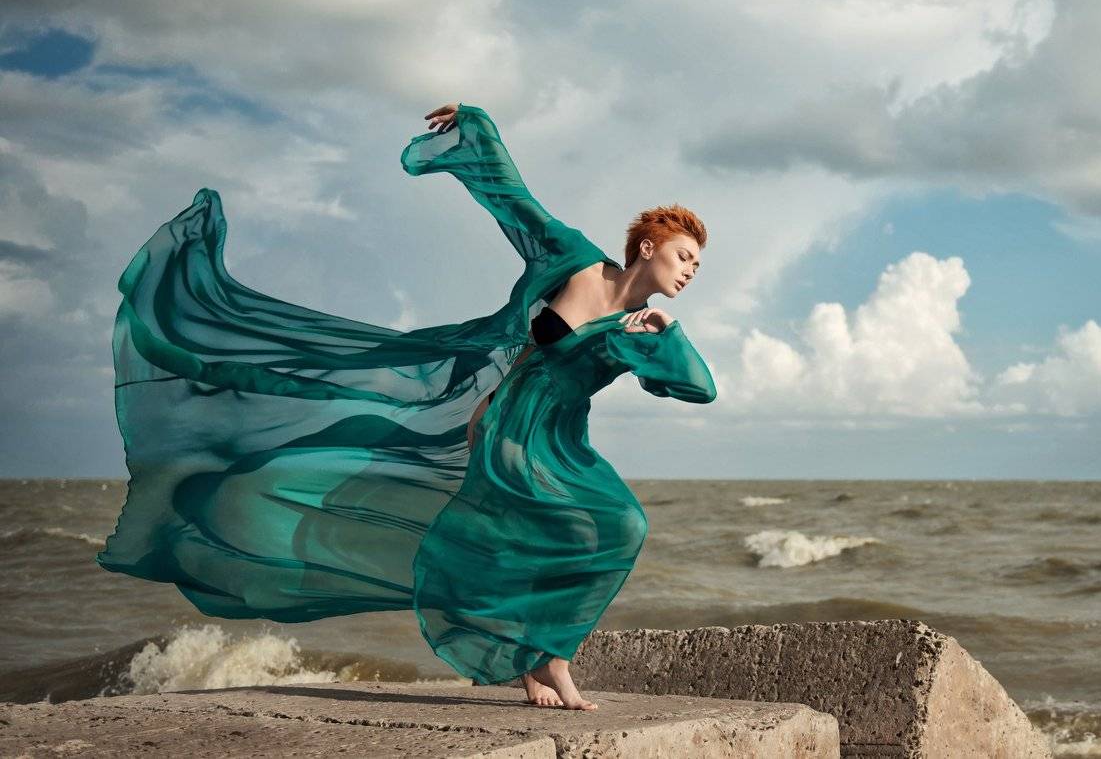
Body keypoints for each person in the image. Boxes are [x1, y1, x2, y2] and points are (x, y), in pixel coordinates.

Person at [97, 101, 716, 712]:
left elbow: (698, 387)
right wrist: (474, 127)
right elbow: (516, 201)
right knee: (556, 532)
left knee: (617, 527)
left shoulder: (643, 328)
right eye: (684, 254)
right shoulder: (575, 258)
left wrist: (665, 328)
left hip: (562, 439)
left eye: (696, 263)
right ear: (647, 245)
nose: (690, 269)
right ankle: (548, 658)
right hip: (506, 422)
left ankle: (534, 657)